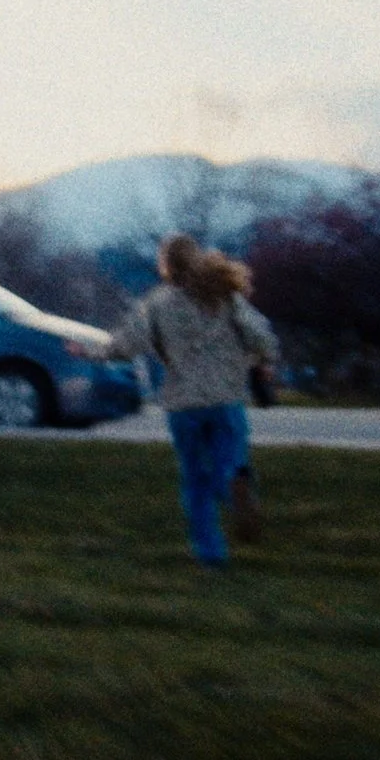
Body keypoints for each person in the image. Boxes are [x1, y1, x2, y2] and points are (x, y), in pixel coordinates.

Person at [80, 234, 278, 566]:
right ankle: (234, 489)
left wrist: (90, 351)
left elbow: (126, 344)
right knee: (228, 463)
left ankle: (211, 554)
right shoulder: (225, 296)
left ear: (166, 266)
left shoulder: (157, 304)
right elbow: (260, 335)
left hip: (183, 405)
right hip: (226, 401)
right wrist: (265, 359)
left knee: (195, 481)